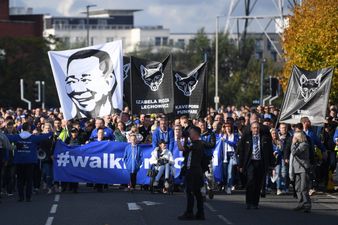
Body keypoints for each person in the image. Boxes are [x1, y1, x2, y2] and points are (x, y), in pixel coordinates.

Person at [65, 49, 119, 118]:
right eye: (72, 81)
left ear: (109, 81)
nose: (78, 90)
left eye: (86, 80)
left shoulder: (122, 120)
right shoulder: (68, 123)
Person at [6, 122, 52, 202]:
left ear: (22, 129)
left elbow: (6, 137)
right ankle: (28, 197)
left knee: (20, 180)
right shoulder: (34, 138)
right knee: (29, 180)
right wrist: (51, 131)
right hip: (30, 161)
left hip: (19, 161)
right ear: (29, 128)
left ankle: (21, 197)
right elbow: (45, 136)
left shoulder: (16, 137)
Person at [238, 122, 273, 209]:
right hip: (250, 162)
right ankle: (248, 202)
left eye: (257, 128)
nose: (256, 130)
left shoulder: (265, 138)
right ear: (251, 129)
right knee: (250, 181)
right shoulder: (246, 138)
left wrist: (271, 164)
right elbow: (241, 152)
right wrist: (241, 165)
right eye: (254, 128)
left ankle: (255, 203)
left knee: (258, 184)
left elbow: (270, 151)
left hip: (260, 162)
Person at [177, 126, 205, 220]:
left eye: (191, 132)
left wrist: (177, 138)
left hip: (194, 171)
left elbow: (182, 149)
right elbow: (185, 151)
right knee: (196, 192)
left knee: (191, 192)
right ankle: (200, 213)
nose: (189, 134)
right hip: (193, 170)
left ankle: (190, 213)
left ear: (196, 134)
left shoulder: (198, 144)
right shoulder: (194, 144)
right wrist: (184, 138)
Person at [289, 131, 311, 213]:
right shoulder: (297, 145)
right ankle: (301, 203)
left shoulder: (304, 145)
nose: (293, 139)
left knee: (303, 188)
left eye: (295, 137)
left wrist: (293, 144)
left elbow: (294, 152)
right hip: (297, 169)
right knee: (297, 187)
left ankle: (307, 205)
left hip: (303, 169)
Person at [221, 122, 240, 195]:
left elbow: (234, 144)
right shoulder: (223, 135)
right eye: (226, 127)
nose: (228, 128)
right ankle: (225, 185)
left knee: (230, 171)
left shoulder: (234, 135)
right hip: (225, 155)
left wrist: (226, 141)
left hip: (232, 154)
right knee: (225, 172)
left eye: (229, 127)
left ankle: (229, 187)